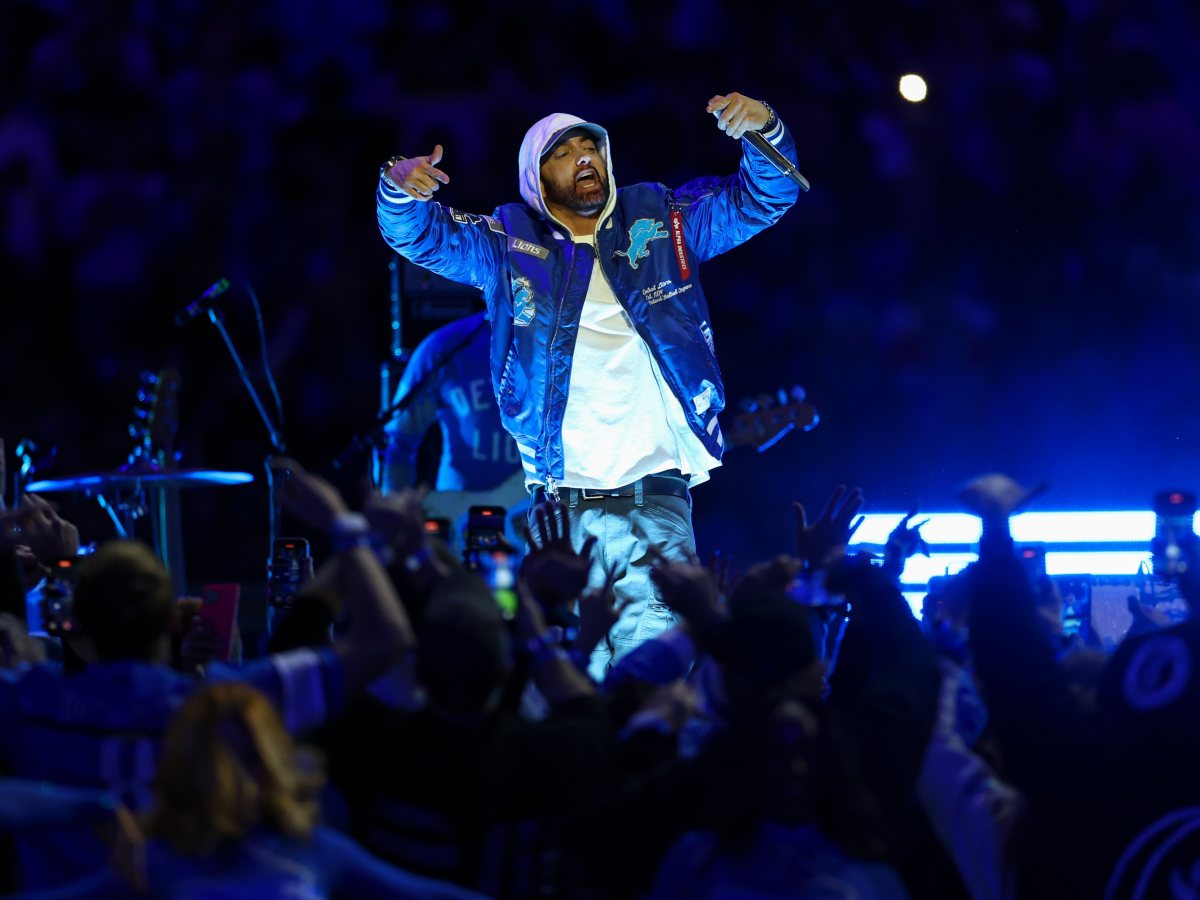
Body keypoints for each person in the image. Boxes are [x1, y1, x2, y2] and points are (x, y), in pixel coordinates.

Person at [377, 92, 802, 675]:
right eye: (563, 153)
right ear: (535, 180)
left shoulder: (663, 223)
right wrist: (398, 188)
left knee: (652, 686)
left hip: (656, 505)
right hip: (561, 516)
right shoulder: (507, 245)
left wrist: (766, 130)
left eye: (591, 147)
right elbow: (419, 237)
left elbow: (765, 197)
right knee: (563, 687)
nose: (583, 157)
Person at [381, 310, 527, 556]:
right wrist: (396, 523)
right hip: (455, 524)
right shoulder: (443, 347)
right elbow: (396, 442)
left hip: (529, 526)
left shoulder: (561, 348)